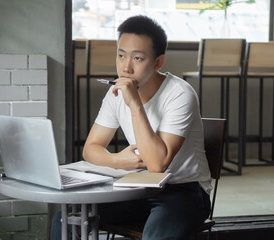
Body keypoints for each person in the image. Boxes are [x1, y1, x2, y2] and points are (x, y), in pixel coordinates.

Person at [51, 15, 211, 240]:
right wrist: (117, 161)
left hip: (183, 190)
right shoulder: (115, 94)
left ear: (158, 62)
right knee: (65, 219)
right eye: (121, 55)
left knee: (157, 235)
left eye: (137, 58)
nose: (126, 67)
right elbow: (91, 148)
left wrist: (135, 104)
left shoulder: (180, 94)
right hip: (137, 187)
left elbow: (157, 165)